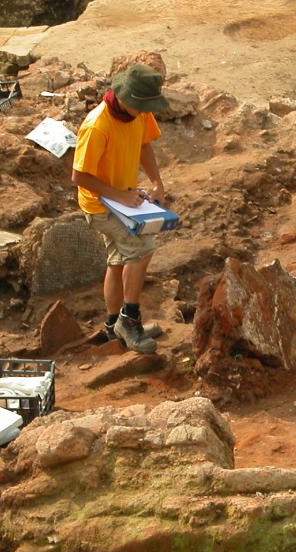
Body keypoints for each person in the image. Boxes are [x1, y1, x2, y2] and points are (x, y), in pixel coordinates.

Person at [71, 62, 168, 354]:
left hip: (122, 199)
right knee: (142, 249)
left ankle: (114, 326)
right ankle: (130, 319)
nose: (146, 111)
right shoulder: (96, 126)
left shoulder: (139, 112)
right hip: (100, 205)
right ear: (126, 99)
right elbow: (79, 176)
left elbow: (144, 144)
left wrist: (156, 181)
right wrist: (119, 196)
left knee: (117, 261)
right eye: (143, 106)